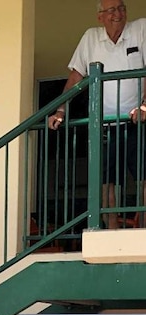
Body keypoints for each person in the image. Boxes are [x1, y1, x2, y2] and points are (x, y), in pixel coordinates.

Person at [48, 1, 146, 228]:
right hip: (105, 126)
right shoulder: (91, 38)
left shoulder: (140, 29)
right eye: (111, 10)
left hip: (138, 122)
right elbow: (76, 77)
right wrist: (61, 109)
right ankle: (110, 234)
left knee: (144, 178)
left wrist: (144, 105)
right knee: (106, 182)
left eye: (121, 8)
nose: (118, 14)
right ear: (100, 17)